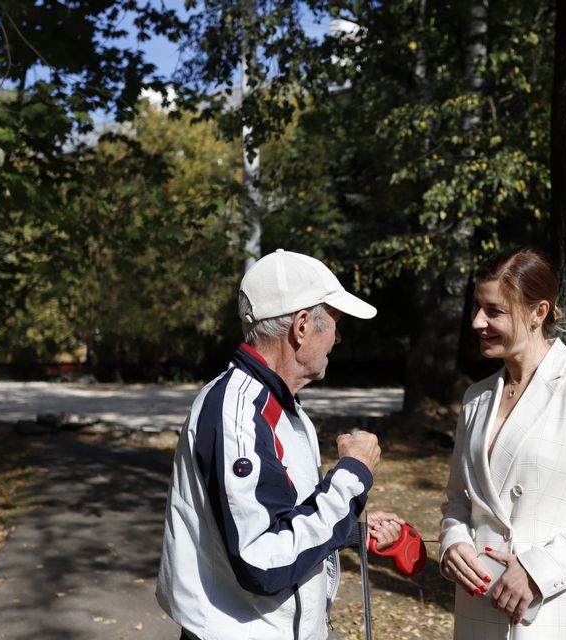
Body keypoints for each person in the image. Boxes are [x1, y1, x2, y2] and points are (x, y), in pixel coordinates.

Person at [157, 249, 403, 640]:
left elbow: (277, 517)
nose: (338, 337)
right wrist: (352, 476)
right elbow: (261, 561)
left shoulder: (276, 405)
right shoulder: (239, 412)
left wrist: (348, 528)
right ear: (302, 326)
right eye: (335, 323)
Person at [439, 247, 566, 639]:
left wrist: (538, 570)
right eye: (477, 307)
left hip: (559, 614)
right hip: (480, 610)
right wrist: (453, 543)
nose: (477, 321)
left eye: (494, 311)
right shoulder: (476, 398)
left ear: (539, 312)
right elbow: (458, 499)